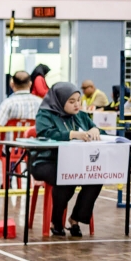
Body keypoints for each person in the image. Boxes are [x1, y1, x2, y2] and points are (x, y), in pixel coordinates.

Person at [31, 82, 103, 237]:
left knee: (96, 177)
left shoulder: (81, 116)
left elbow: (97, 130)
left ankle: (75, 218)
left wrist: (96, 129)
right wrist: (72, 134)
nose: (77, 105)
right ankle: (56, 221)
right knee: (67, 177)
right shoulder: (45, 115)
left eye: (78, 100)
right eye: (71, 102)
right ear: (59, 100)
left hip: (74, 161)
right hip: (46, 161)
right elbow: (45, 134)